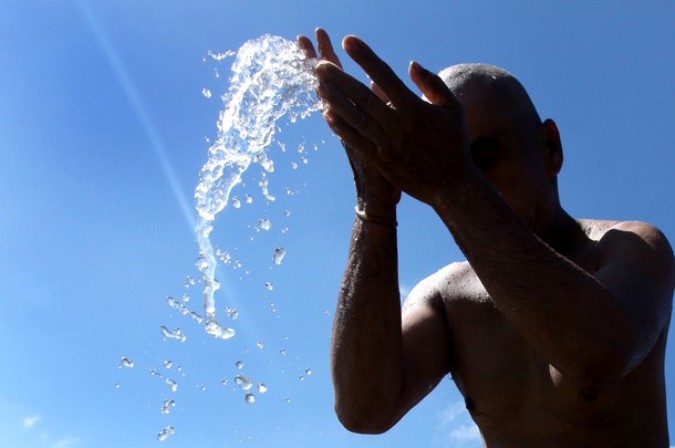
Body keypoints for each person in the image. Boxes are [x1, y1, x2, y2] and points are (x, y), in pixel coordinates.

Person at [297, 28, 674, 446]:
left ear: (549, 147)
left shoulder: (630, 246)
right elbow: (364, 409)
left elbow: (600, 353)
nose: (475, 186)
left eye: (485, 159)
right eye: (447, 163)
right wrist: (375, 201)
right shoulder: (447, 296)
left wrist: (452, 179)